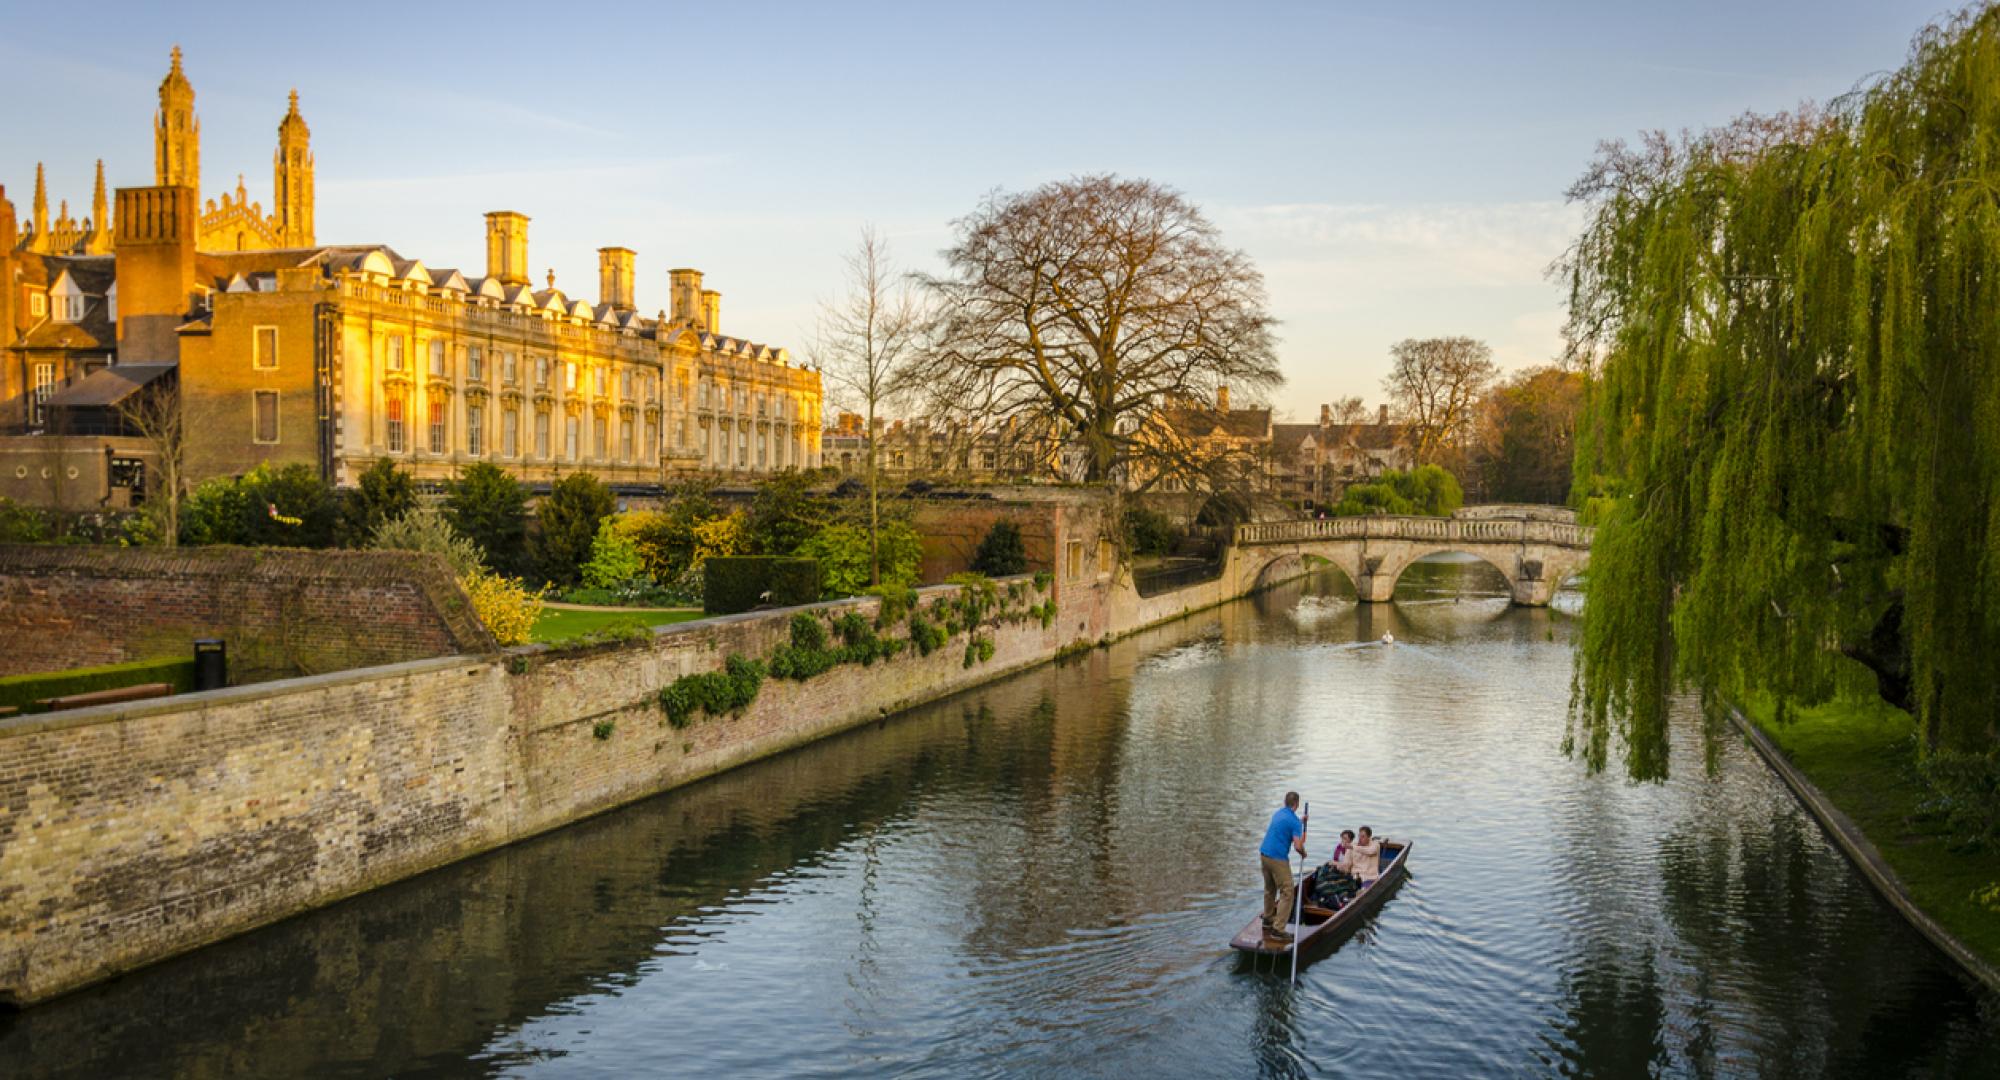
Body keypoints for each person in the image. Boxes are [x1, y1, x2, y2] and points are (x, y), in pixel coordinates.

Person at [1258, 791, 1307, 943]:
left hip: (1264, 854)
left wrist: (1300, 821)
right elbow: (1298, 846)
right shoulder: (1295, 823)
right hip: (1277, 858)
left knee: (1270, 888)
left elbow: (1287, 824)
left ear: (1285, 802)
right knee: (1287, 891)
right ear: (1297, 804)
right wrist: (1304, 853)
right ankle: (1278, 930)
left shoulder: (1279, 813)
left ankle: (1268, 918)